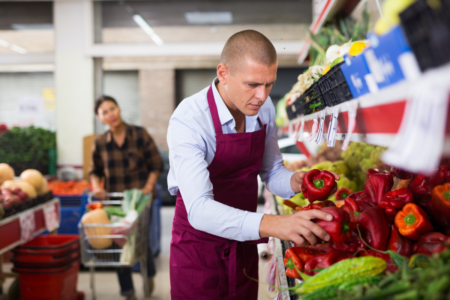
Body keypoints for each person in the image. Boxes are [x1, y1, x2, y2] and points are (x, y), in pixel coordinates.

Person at [167, 30, 339, 300]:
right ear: (223, 73)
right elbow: (199, 209)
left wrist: (296, 181)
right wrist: (276, 224)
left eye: (269, 84)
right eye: (252, 84)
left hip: (244, 239)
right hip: (199, 249)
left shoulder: (264, 108)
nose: (262, 95)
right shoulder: (189, 120)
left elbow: (271, 172)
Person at [90, 95, 163, 300]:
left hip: (140, 203)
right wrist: (96, 186)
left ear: (119, 109)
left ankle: (148, 274)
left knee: (140, 242)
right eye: (104, 112)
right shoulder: (100, 143)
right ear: (99, 117)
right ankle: (128, 292)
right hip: (115, 204)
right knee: (118, 244)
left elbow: (157, 164)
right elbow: (94, 170)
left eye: (112, 109)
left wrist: (148, 187)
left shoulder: (140, 135)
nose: (110, 114)